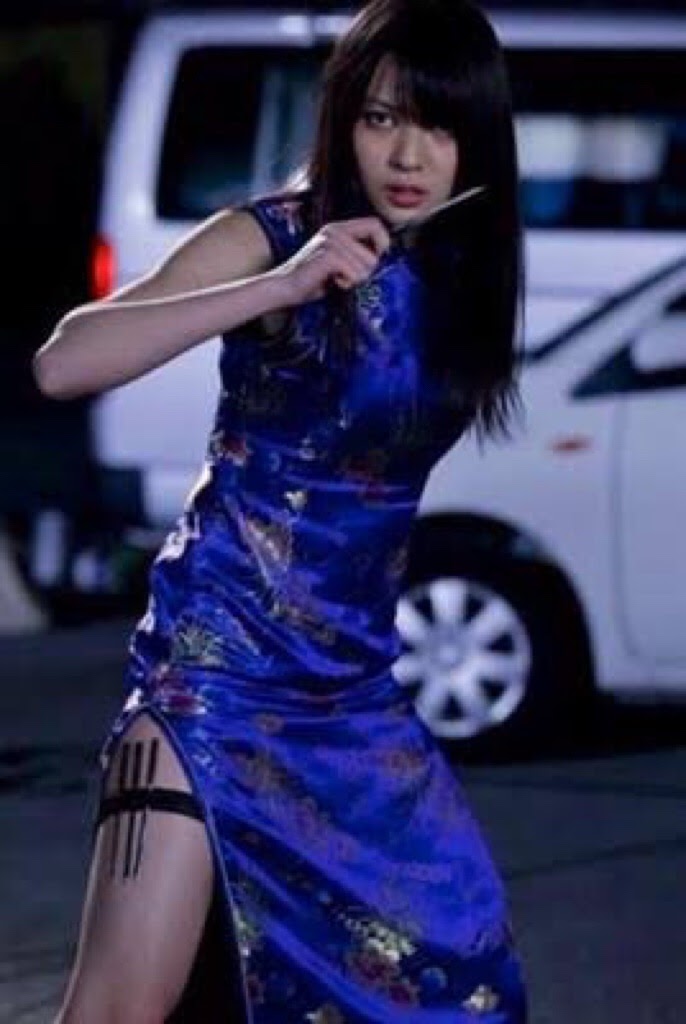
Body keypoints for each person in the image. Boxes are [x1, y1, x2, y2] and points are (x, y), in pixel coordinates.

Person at [35, 0, 528, 1020]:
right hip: (214, 676)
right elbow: (64, 363)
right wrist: (281, 289)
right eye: (381, 118)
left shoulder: (458, 271)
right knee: (117, 1007)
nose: (407, 154)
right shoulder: (276, 237)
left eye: (437, 127)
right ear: (343, 118)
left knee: (460, 970)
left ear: (477, 141)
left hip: (352, 695)